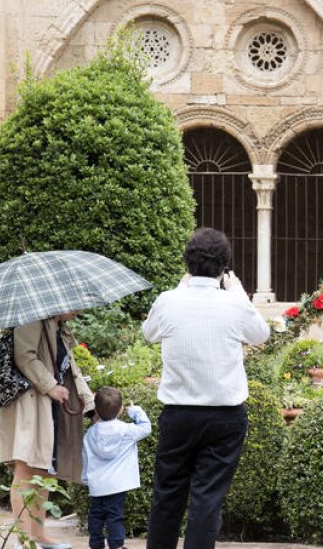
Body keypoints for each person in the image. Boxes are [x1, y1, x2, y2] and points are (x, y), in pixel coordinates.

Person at [142, 227, 271, 549]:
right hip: (225, 417)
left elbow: (149, 333)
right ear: (225, 265)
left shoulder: (169, 301)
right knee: (207, 498)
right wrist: (238, 290)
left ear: (188, 263)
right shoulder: (234, 304)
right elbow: (260, 335)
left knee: (167, 494)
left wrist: (179, 286)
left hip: (179, 414)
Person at [0, 313, 96, 549]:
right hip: (30, 403)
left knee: (45, 469)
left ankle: (38, 535)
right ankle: (23, 540)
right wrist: (51, 386)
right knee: (26, 468)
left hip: (50, 405)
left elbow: (70, 368)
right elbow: (25, 357)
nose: (79, 312)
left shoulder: (58, 325)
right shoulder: (31, 318)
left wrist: (91, 405)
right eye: (76, 306)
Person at [82, 387, 153, 549]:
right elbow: (146, 427)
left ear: (96, 410)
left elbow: (85, 457)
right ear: (120, 410)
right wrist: (135, 411)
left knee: (96, 515)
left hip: (97, 484)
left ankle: (96, 543)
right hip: (117, 484)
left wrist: (86, 479)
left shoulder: (90, 434)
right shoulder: (126, 430)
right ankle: (117, 546)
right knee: (115, 516)